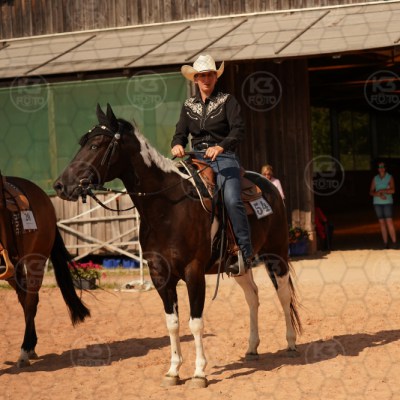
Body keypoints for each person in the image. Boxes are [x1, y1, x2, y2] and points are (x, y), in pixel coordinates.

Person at [171, 54, 253, 276]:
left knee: (232, 200)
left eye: (209, 75)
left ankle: (244, 253)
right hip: (196, 158)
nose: (206, 79)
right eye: (202, 75)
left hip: (224, 158)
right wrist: (176, 145)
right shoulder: (188, 105)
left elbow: (238, 129)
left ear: (216, 77)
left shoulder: (228, 101)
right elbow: (180, 133)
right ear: (195, 79)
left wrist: (221, 147)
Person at [369, 161, 397, 249]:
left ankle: (394, 242)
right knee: (382, 223)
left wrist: (382, 191)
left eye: (382, 167)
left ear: (385, 168)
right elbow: (371, 192)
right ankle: (385, 243)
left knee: (389, 222)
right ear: (377, 169)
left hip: (387, 202)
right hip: (377, 203)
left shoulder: (390, 177)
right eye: (379, 167)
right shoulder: (375, 178)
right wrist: (378, 194)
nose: (381, 168)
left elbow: (393, 190)